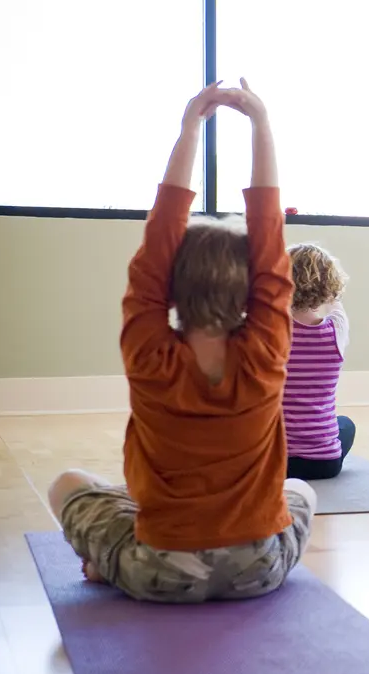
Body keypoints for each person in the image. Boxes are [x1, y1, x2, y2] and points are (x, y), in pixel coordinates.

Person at [46, 80, 317, 603]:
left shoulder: (148, 353)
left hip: (162, 572)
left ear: (166, 283)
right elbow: (271, 242)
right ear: (250, 291)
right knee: (301, 491)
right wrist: (262, 127)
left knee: (67, 483)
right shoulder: (266, 351)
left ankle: (110, 563)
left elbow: (157, 238)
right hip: (259, 569)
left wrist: (191, 126)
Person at [284, 243, 354, 481]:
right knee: (345, 425)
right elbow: (335, 302)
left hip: (276, 462)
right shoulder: (337, 329)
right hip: (324, 464)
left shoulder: (269, 332)